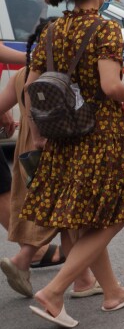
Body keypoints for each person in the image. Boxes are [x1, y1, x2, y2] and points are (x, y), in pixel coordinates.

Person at [26, 0, 124, 329]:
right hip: (100, 134)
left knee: (89, 219)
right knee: (113, 216)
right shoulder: (105, 28)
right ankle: (54, 291)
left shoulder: (52, 30)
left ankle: (112, 292)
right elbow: (110, 86)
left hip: (62, 134)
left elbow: (31, 88)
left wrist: (37, 132)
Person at [0, 19, 99, 299]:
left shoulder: (23, 74)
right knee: (67, 216)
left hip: (28, 156)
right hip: (56, 152)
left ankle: (83, 279)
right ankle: (29, 261)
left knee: (62, 216)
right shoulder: (61, 76)